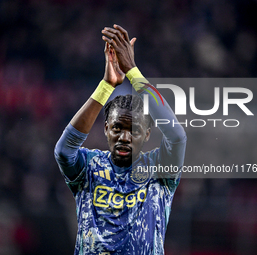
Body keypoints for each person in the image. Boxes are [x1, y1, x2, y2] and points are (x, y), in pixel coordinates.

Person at [54, 24, 187, 255]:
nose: (124, 137)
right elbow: (64, 151)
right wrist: (106, 86)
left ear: (147, 134)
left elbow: (177, 137)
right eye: (117, 128)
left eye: (134, 131)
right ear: (106, 129)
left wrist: (133, 72)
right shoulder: (89, 167)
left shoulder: (159, 169)